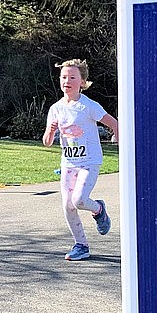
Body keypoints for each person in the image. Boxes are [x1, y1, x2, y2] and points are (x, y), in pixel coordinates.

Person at [42, 60, 119, 262]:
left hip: (89, 161)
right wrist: (50, 130)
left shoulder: (88, 106)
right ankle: (81, 245)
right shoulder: (55, 109)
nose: (67, 81)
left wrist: (118, 138)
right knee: (68, 205)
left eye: (72, 77)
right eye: (64, 77)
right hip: (68, 163)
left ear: (82, 82)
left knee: (79, 200)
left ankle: (99, 209)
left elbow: (114, 124)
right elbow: (47, 143)